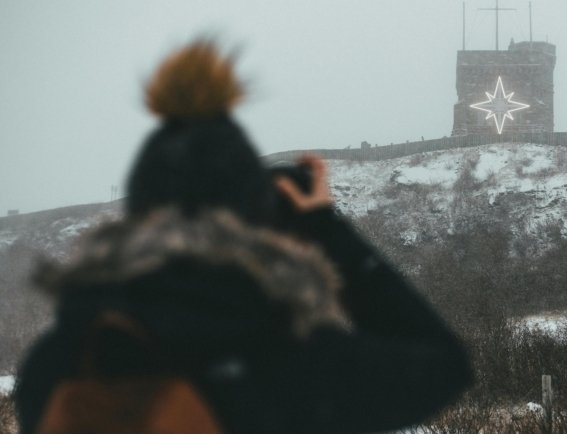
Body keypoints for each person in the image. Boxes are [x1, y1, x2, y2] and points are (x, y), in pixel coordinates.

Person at [15, 39, 471, 434]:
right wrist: (326, 228)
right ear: (254, 211)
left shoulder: (59, 363)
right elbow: (443, 366)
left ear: (137, 211)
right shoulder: (288, 358)